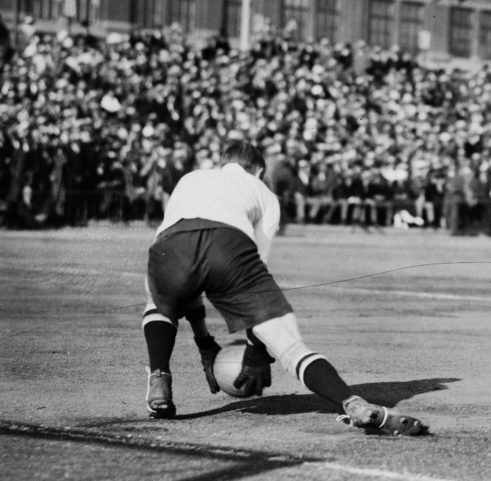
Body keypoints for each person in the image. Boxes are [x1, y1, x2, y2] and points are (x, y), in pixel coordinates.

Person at [140, 140, 427, 436]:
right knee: (290, 348)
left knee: (158, 303)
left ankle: (159, 375)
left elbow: (188, 271)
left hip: (169, 247)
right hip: (228, 246)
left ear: (223, 162)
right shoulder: (263, 192)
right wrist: (256, 350)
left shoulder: (191, 178)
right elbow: (256, 269)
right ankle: (353, 403)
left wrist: (204, 343)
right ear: (260, 170)